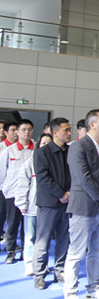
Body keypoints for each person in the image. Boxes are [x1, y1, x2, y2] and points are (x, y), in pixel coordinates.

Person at [63, 109, 99, 299]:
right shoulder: (78, 146)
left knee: (97, 252)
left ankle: (94, 289)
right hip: (84, 207)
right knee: (76, 253)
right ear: (92, 124)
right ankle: (70, 295)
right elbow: (82, 177)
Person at [32, 117, 72, 289]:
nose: (69, 133)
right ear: (54, 132)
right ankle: (39, 274)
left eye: (69, 130)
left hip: (67, 202)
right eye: (65, 130)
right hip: (49, 203)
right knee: (43, 239)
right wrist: (60, 194)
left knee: (64, 238)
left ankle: (59, 269)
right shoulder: (43, 153)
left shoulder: (70, 151)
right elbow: (43, 178)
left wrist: (69, 193)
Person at [16, 134, 52, 276]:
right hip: (31, 206)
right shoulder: (30, 162)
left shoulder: (54, 163)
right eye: (43, 143)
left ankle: (41, 264)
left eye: (49, 144)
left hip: (48, 208)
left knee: (43, 238)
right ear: (38, 145)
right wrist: (22, 203)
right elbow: (22, 184)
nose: (46, 146)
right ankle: (29, 264)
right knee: (30, 236)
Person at [0, 119, 35, 264]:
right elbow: (2, 174)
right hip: (13, 193)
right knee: (12, 223)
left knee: (28, 225)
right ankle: (11, 251)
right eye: (23, 129)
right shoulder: (9, 151)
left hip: (32, 194)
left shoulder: (36, 149)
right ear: (17, 132)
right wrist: (6, 190)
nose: (27, 132)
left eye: (29, 129)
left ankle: (27, 253)